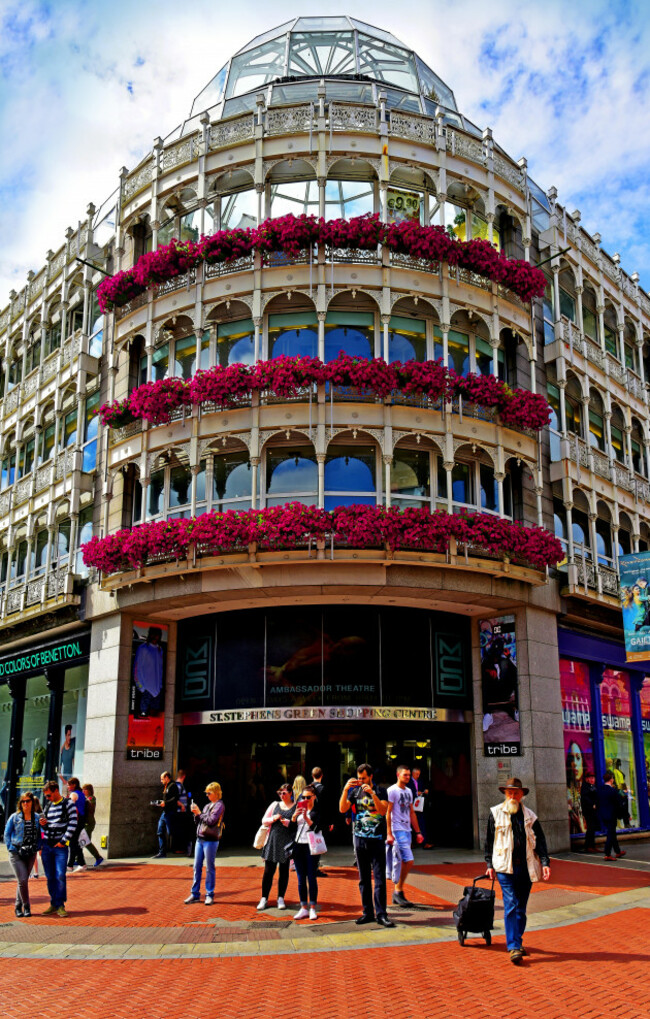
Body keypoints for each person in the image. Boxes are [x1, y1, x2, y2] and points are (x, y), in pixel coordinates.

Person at [485, 777, 551, 965]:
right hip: (505, 867)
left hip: (525, 867)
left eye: (516, 793)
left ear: (522, 795)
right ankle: (513, 947)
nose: (512, 796)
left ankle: (518, 941)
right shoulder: (495, 813)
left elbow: (540, 841)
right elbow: (489, 841)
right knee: (511, 904)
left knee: (521, 908)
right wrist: (489, 864)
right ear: (505, 794)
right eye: (509, 793)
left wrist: (545, 863)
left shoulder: (530, 816)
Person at [339, 763, 395, 928]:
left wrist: (372, 794)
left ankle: (381, 914)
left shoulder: (380, 791)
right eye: (359, 778)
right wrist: (345, 790)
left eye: (363, 778)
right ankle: (367, 912)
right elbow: (342, 808)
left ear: (371, 776)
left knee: (379, 879)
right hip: (360, 839)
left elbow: (383, 811)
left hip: (377, 839)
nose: (361, 781)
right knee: (364, 879)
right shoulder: (355, 792)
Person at [40, 779, 78, 918]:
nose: (47, 798)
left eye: (49, 795)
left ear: (56, 791)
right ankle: (54, 903)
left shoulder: (68, 803)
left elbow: (73, 823)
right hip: (47, 845)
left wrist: (63, 841)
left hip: (60, 846)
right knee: (50, 876)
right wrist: (43, 824)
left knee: (60, 875)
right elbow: (46, 826)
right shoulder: (48, 806)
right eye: (46, 796)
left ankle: (60, 904)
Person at [386, 765, 424, 907]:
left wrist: (418, 832)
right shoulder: (392, 791)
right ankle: (398, 890)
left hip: (407, 830)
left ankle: (398, 890)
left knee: (403, 861)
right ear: (398, 775)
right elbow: (388, 812)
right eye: (405, 775)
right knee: (409, 860)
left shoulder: (409, 791)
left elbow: (412, 812)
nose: (408, 777)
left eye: (409, 775)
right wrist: (389, 833)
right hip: (397, 829)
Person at [184, 782, 224, 905]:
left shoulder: (219, 805)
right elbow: (200, 821)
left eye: (209, 793)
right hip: (200, 839)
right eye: (206, 793)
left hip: (210, 840)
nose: (207, 795)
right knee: (197, 867)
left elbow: (211, 821)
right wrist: (196, 814)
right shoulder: (207, 806)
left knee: (209, 867)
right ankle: (195, 893)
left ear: (216, 793)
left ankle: (209, 894)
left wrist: (199, 813)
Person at [257, 783, 296, 911]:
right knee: (268, 871)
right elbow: (264, 820)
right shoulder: (275, 805)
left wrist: (289, 823)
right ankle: (264, 898)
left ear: (290, 793)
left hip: (286, 843)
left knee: (284, 872)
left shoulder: (295, 807)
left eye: (284, 793)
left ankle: (280, 898)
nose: (282, 795)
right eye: (280, 793)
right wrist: (273, 818)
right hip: (272, 841)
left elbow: (297, 825)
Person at [5, 791, 42, 917]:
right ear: (20, 803)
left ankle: (17, 906)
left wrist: (38, 846)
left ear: (32, 802)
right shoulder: (14, 817)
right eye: (23, 801)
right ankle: (26, 906)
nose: (25, 803)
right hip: (16, 852)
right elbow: (7, 834)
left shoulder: (37, 817)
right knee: (22, 879)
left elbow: (40, 834)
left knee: (23, 881)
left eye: (28, 801)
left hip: (30, 853)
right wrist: (10, 848)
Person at [291, 783, 321, 920]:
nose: (305, 800)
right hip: (298, 846)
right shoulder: (298, 809)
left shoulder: (317, 811)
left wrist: (306, 817)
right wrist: (293, 817)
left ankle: (313, 907)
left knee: (311, 877)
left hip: (311, 846)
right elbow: (291, 829)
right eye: (303, 797)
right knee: (300, 878)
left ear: (314, 797)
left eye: (308, 797)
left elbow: (317, 828)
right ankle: (303, 907)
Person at [134, 626, 164, 717]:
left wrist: (160, 686)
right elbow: (137, 668)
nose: (155, 637)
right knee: (143, 717)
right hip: (145, 690)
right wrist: (141, 687)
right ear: (149, 635)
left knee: (155, 719)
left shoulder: (160, 649)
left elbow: (160, 669)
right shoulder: (143, 648)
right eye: (153, 635)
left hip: (157, 691)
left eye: (157, 635)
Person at [599, 770, 626, 861]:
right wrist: (624, 814)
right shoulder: (613, 791)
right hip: (611, 814)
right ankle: (607, 854)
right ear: (611, 780)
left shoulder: (601, 789)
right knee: (610, 834)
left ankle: (617, 851)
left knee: (612, 833)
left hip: (603, 814)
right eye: (612, 778)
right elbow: (618, 803)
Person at [152, 771, 180, 858]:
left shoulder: (173, 786)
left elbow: (175, 798)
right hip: (165, 812)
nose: (161, 781)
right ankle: (162, 852)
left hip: (170, 812)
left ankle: (180, 847)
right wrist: (161, 802)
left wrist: (165, 803)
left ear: (167, 778)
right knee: (160, 831)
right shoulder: (166, 786)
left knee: (171, 831)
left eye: (162, 779)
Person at [79, 784, 104, 867]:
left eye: (85, 789)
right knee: (82, 841)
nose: (83, 791)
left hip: (89, 823)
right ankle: (77, 859)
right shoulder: (85, 798)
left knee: (85, 841)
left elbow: (89, 805)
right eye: (82, 789)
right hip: (85, 823)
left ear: (89, 790)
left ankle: (98, 857)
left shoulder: (91, 798)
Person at [66, 777, 87, 872]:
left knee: (73, 842)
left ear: (74, 785)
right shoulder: (81, 794)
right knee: (75, 842)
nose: (68, 787)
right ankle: (75, 864)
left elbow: (71, 806)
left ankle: (74, 864)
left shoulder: (73, 794)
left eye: (69, 785)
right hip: (81, 819)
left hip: (75, 819)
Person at [566, 741, 586, 834]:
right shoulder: (567, 791)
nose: (574, 763)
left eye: (578, 758)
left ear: (582, 761)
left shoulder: (586, 788)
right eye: (571, 759)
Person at [579, 771, 599, 853]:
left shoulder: (593, 786)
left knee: (592, 828)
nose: (592, 780)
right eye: (590, 778)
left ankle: (592, 846)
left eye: (593, 778)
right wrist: (592, 804)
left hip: (593, 810)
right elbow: (585, 798)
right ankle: (588, 846)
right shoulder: (585, 787)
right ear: (586, 779)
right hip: (588, 810)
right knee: (590, 828)